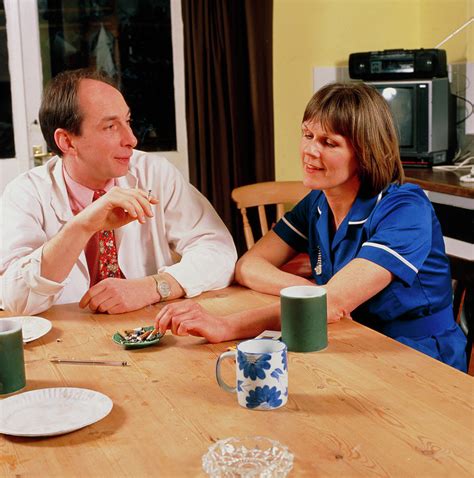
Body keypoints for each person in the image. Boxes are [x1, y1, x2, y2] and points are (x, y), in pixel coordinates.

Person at [153, 82, 467, 372]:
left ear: (366, 151)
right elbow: (249, 266)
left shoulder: (405, 208)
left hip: (418, 355)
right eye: (308, 135)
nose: (310, 151)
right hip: (350, 338)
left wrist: (226, 325)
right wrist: (315, 295)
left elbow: (332, 304)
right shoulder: (317, 202)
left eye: (329, 142)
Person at [0, 68, 237, 315]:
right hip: (68, 342)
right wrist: (82, 226)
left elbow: (219, 251)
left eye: (128, 121)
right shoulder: (25, 194)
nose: (132, 139)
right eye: (111, 126)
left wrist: (154, 287)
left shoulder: (154, 173)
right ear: (67, 142)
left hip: (149, 333)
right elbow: (15, 298)